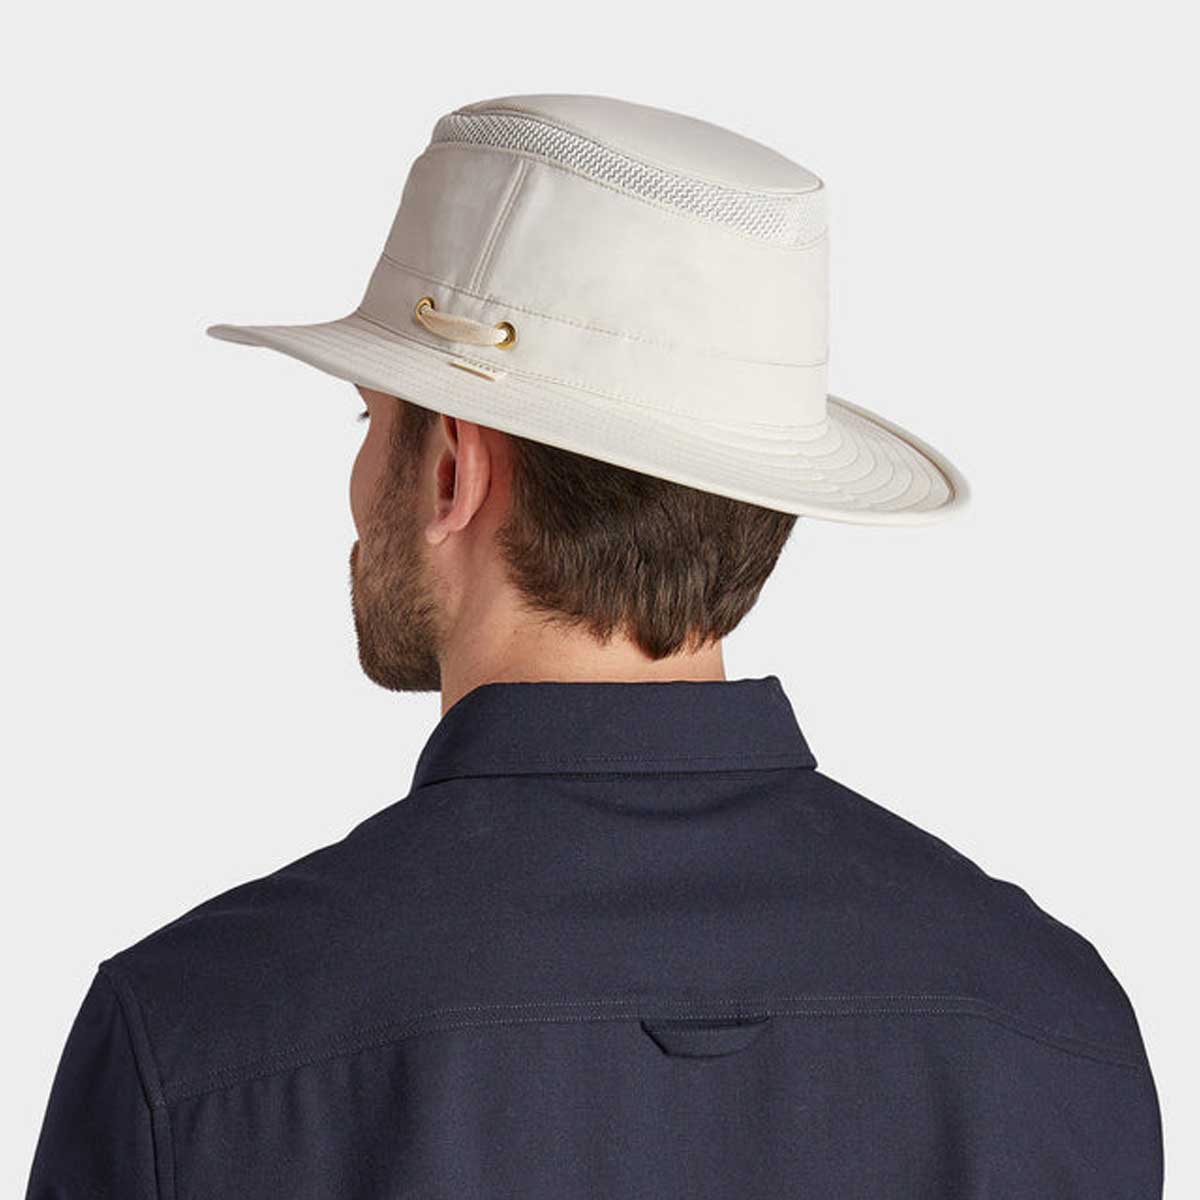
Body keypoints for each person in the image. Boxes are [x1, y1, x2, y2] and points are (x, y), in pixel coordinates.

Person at [26, 93, 1162, 1199]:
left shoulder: (195, 1040)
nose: (359, 480)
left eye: (370, 419)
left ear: (453, 470)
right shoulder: (1060, 1025)